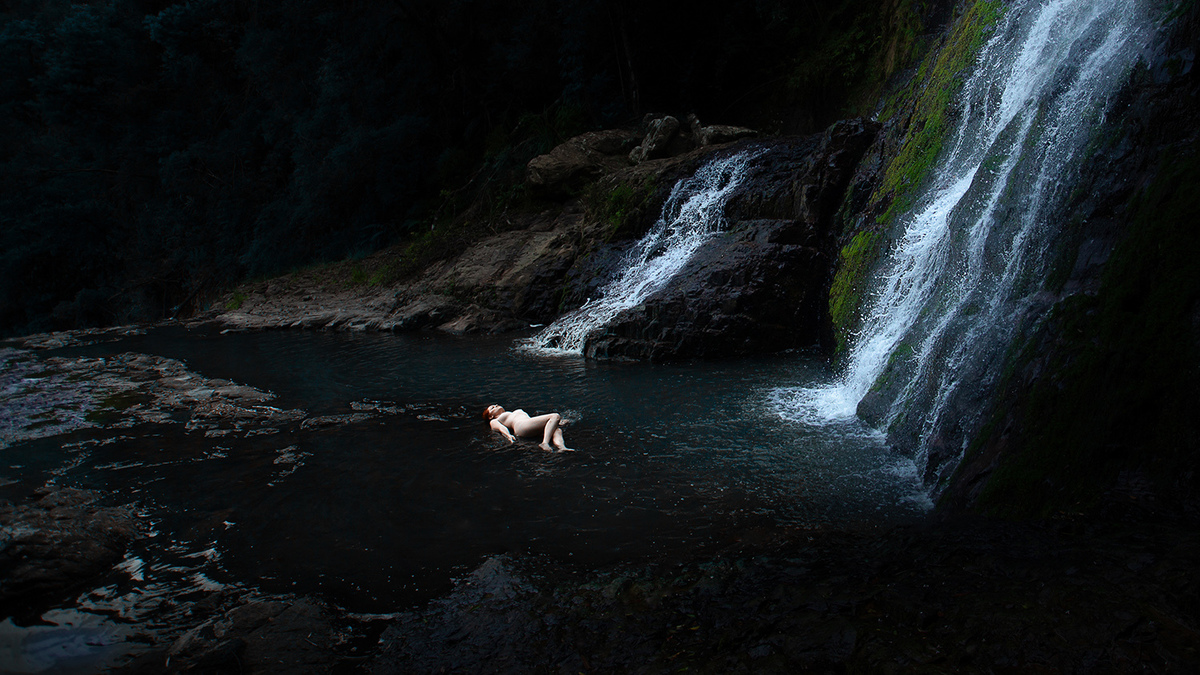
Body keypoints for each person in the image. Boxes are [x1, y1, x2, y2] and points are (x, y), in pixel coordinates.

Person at [483, 404, 572, 452]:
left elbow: (533, 421)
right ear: (491, 416)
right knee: (555, 416)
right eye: (492, 408)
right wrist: (508, 436)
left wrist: (558, 423)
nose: (496, 405)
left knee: (557, 429)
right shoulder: (494, 420)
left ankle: (561, 447)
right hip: (520, 426)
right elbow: (500, 428)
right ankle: (544, 443)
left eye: (495, 405)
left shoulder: (511, 413)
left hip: (527, 425)